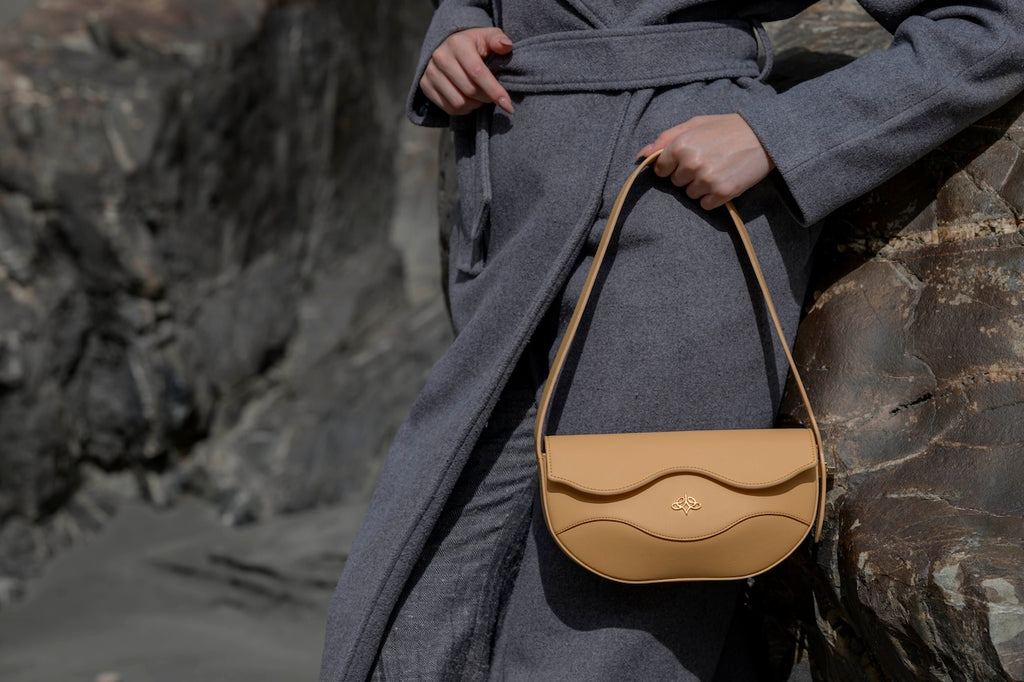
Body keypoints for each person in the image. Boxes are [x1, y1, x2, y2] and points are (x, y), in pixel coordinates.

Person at [320, 2, 1024, 680]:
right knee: (412, 613)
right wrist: (464, 19)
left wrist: (785, 136)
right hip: (513, 220)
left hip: (677, 228)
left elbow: (998, 20)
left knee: (611, 620)